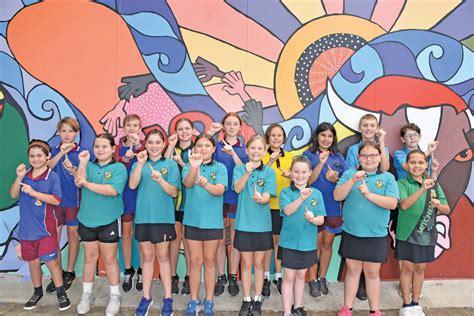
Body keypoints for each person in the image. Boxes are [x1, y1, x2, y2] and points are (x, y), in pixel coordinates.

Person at [334, 141, 399, 316]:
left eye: (373, 155)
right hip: (352, 231)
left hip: (375, 233)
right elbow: (337, 195)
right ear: (358, 157)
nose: (369, 159)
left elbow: (392, 203)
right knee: (353, 270)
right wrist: (352, 180)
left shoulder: (387, 178)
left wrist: (369, 194)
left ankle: (374, 310)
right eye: (364, 155)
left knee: (372, 273)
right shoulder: (349, 174)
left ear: (379, 157)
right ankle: (347, 308)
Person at [10, 140, 71, 311]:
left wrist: (34, 192)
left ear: (47, 157)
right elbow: (13, 193)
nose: (35, 159)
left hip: (46, 230)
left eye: (39, 156)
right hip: (26, 231)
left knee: (52, 262)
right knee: (33, 263)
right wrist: (19, 177)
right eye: (32, 156)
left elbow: (56, 200)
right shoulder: (26, 175)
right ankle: (37, 292)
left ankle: (61, 293)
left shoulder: (52, 176)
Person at [75, 133, 127, 315]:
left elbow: (112, 190)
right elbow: (78, 181)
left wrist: (88, 184)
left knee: (110, 259)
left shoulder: (119, 168)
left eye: (105, 146)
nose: (100, 150)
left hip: (109, 220)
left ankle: (115, 295)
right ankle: (86, 295)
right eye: (97, 146)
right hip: (86, 219)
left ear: (113, 149)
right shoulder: (88, 166)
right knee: (90, 258)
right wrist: (82, 163)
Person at [129, 129, 181, 316]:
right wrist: (140, 164)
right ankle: (146, 297)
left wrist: (160, 181)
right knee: (148, 257)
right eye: (150, 142)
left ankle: (168, 299)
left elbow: (174, 192)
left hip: (164, 219)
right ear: (146, 144)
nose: (153, 146)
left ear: (164, 143)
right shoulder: (140, 162)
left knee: (163, 256)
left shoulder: (170, 165)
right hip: (143, 218)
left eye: (157, 142)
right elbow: (132, 185)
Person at [396, 150, 450, 316]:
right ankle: (405, 305)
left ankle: (415, 304)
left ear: (426, 165)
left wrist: (437, 205)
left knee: (420, 268)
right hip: (407, 233)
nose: (417, 166)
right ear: (406, 165)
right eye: (413, 162)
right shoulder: (403, 183)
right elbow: (404, 205)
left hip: (427, 234)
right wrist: (422, 189)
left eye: (420, 162)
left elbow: (446, 209)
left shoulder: (434, 184)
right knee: (407, 268)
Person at [345, 114, 390, 300]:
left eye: (372, 125)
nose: (369, 128)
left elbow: (385, 168)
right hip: (357, 198)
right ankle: (356, 291)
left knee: (371, 256)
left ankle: (366, 285)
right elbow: (350, 172)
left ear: (377, 127)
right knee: (355, 255)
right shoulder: (352, 149)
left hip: (376, 201)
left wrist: (382, 142)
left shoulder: (382, 147)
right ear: (360, 127)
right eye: (365, 125)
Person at [182, 133, 228, 316]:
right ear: (194, 149)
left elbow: (219, 190)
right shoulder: (188, 166)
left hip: (213, 223)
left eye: (206, 146)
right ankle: (194, 301)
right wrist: (194, 169)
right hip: (192, 222)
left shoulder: (221, 167)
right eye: (199, 146)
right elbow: (187, 183)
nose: (202, 149)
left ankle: (209, 301)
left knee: (210, 262)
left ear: (213, 148)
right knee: (195, 262)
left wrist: (206, 184)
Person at [233, 135, 276, 316]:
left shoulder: (269, 172)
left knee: (259, 264)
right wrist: (247, 172)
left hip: (262, 226)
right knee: (246, 263)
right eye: (253, 148)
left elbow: (268, 195)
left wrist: (261, 199)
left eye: (260, 148)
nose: (256, 151)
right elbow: (237, 188)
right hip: (244, 223)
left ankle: (257, 298)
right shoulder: (239, 169)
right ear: (247, 151)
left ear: (265, 151)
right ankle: (246, 298)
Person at [303, 122, 346, 298]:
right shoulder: (308, 155)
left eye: (329, 136)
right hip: (314, 208)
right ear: (317, 137)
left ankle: (322, 277)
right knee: (316, 245)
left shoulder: (339, 158)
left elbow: (344, 185)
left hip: (334, 208)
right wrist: (320, 164)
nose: (326, 139)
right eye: (323, 135)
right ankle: (312, 280)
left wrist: (336, 179)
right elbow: (307, 181)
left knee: (327, 245)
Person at [279, 155, 326, 316]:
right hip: (290, 243)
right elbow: (287, 211)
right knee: (289, 277)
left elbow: (321, 220)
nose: (300, 175)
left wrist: (313, 219)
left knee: (301, 276)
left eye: (304, 172)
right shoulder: (286, 192)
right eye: (296, 172)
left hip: (307, 244)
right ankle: (287, 311)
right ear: (291, 173)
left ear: (310, 172)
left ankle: (297, 307)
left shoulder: (317, 194)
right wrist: (301, 198)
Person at [208, 113, 247, 297]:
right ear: (223, 126)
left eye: (235, 124)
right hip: (217, 199)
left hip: (237, 200)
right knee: (220, 240)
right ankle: (221, 276)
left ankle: (233, 275)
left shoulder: (246, 149)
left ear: (240, 127)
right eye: (228, 124)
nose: (231, 127)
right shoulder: (215, 146)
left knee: (235, 240)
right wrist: (210, 132)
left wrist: (233, 153)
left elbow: (246, 171)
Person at [47, 117, 81, 293]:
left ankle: (69, 272)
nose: (67, 134)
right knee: (54, 239)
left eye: (71, 131)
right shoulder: (52, 151)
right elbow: (48, 168)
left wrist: (72, 170)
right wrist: (61, 153)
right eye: (64, 131)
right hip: (55, 202)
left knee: (73, 236)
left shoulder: (82, 152)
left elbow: (82, 179)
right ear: (59, 132)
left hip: (73, 201)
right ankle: (58, 274)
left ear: (76, 133)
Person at [114, 114, 145, 292]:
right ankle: (128, 270)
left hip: (141, 197)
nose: (132, 128)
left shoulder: (146, 146)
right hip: (125, 196)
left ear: (140, 128)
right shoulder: (117, 147)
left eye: (135, 125)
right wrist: (125, 158)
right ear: (124, 128)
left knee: (141, 235)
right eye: (129, 125)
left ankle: (141, 269)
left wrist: (139, 146)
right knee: (126, 233)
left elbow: (150, 165)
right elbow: (115, 169)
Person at [261, 123, 293, 297]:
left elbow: (300, 178)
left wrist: (292, 176)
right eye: (273, 135)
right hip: (265, 206)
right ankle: (265, 276)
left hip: (283, 207)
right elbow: (258, 174)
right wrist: (270, 160)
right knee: (267, 244)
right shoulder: (261, 156)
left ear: (284, 138)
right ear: (268, 138)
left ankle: (278, 276)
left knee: (278, 243)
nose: (276, 138)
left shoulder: (291, 157)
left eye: (279, 135)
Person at [164, 117, 194, 295]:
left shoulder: (197, 149)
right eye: (180, 129)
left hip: (192, 203)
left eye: (187, 128)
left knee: (190, 243)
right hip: (174, 203)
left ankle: (190, 277)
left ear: (192, 131)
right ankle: (173, 277)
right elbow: (163, 164)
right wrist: (170, 145)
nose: (184, 132)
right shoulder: (172, 149)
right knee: (174, 240)